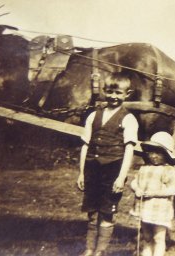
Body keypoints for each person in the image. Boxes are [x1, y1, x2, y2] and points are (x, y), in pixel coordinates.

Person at [76, 71, 138, 256]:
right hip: (92, 169)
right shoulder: (93, 116)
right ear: (104, 91)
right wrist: (81, 173)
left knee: (107, 212)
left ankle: (100, 251)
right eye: (110, 91)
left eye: (118, 93)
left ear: (127, 94)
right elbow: (85, 145)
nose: (113, 96)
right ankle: (89, 250)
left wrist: (121, 178)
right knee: (92, 213)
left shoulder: (128, 119)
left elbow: (129, 150)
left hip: (113, 170)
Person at [130, 131, 175, 256]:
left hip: (160, 210)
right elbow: (134, 182)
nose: (154, 156)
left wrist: (153, 193)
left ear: (166, 155)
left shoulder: (169, 171)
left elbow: (172, 190)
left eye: (158, 153)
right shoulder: (144, 168)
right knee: (146, 237)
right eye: (151, 152)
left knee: (158, 237)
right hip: (145, 209)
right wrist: (137, 189)